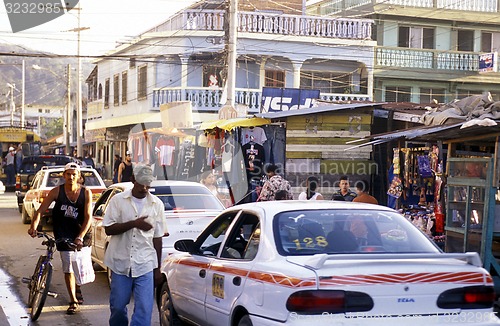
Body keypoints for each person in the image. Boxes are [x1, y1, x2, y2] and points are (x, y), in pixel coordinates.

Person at [103, 165, 166, 326]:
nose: (144, 188)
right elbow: (109, 229)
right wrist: (134, 224)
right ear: (132, 180)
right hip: (120, 263)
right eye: (141, 184)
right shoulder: (118, 201)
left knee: (144, 308)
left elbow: (157, 238)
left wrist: (157, 268)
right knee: (117, 307)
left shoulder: (156, 204)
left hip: (145, 263)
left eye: (148, 185)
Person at [28, 162, 93, 315]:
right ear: (64, 176)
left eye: (74, 174)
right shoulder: (56, 192)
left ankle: (77, 287)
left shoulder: (86, 193)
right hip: (63, 231)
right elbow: (40, 211)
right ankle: (73, 301)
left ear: (79, 177)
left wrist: (80, 237)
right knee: (68, 266)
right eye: (68, 174)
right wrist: (33, 226)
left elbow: (88, 217)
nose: (71, 177)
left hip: (81, 232)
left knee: (79, 266)